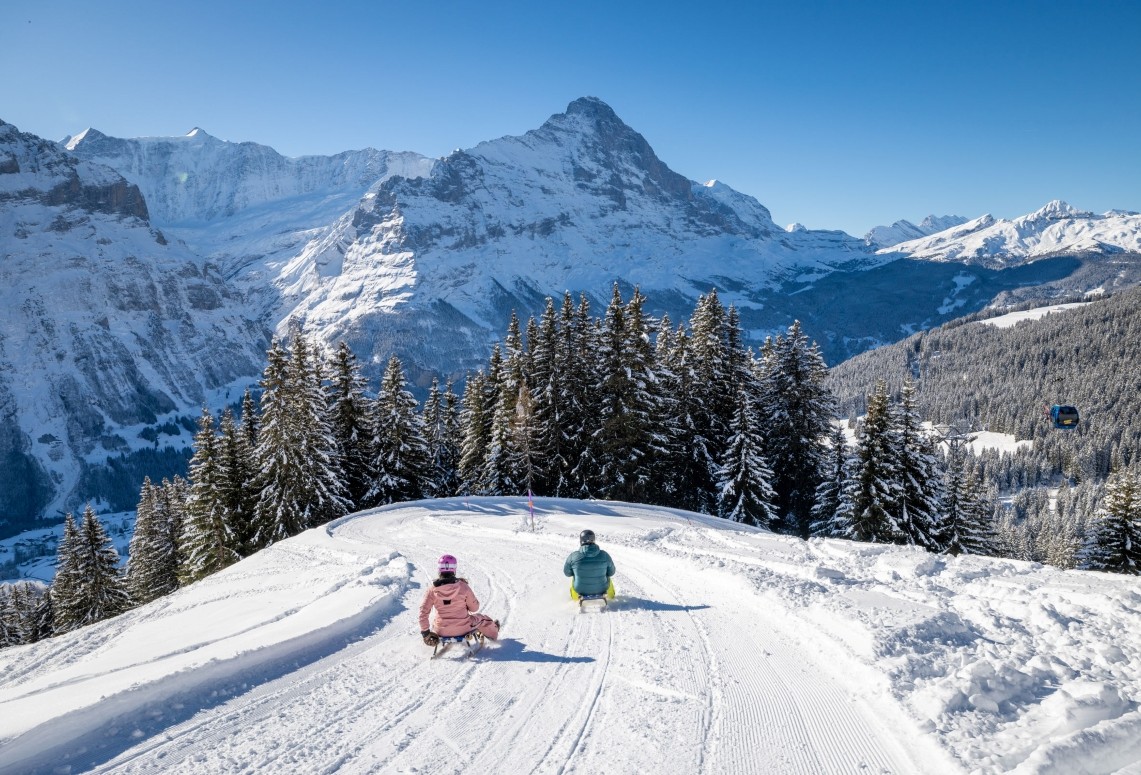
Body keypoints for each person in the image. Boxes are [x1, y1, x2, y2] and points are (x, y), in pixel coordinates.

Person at [419, 554, 498, 646]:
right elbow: (474, 608)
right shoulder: (463, 586)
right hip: (463, 628)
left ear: (439, 569)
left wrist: (425, 633)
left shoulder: (432, 590)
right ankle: (493, 631)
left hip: (441, 630)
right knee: (482, 619)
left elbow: (423, 612)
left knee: (436, 620)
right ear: (454, 569)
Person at [563, 529, 616, 599]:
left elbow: (567, 573)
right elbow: (611, 572)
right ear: (593, 540)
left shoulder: (573, 556)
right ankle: (611, 597)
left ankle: (575, 599)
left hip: (580, 590)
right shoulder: (604, 555)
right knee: (608, 577)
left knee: (575, 576)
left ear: (581, 541)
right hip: (602, 589)